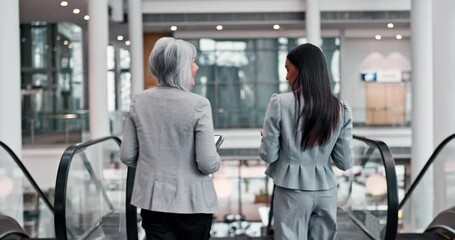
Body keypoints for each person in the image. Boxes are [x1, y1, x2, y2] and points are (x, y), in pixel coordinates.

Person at [120, 37, 221, 240]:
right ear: (181, 67)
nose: (196, 66)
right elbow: (207, 164)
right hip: (192, 204)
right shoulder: (199, 104)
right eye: (192, 62)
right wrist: (216, 156)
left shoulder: (139, 101)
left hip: (153, 203)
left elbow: (127, 155)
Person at [259, 43, 353, 240]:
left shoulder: (280, 103)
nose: (286, 76)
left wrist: (268, 137)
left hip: (291, 189)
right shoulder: (341, 109)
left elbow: (268, 155)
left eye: (288, 69)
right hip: (326, 190)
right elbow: (345, 162)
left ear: (301, 70)